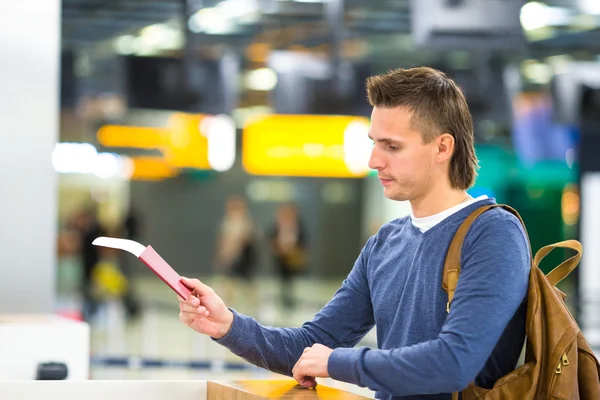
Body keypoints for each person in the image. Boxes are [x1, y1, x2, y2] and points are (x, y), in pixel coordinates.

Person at [178, 67, 530, 399]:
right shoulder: (386, 243)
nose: (374, 160)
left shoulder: (493, 234)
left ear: (442, 147)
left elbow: (453, 362)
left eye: (392, 146)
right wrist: (227, 325)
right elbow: (313, 343)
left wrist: (336, 362)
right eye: (374, 143)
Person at [269, 203, 307, 310]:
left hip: (293, 256)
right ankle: (283, 298)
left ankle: (289, 298)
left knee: (291, 278)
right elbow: (271, 237)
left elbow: (303, 240)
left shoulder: (298, 225)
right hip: (281, 257)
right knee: (282, 278)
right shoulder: (277, 225)